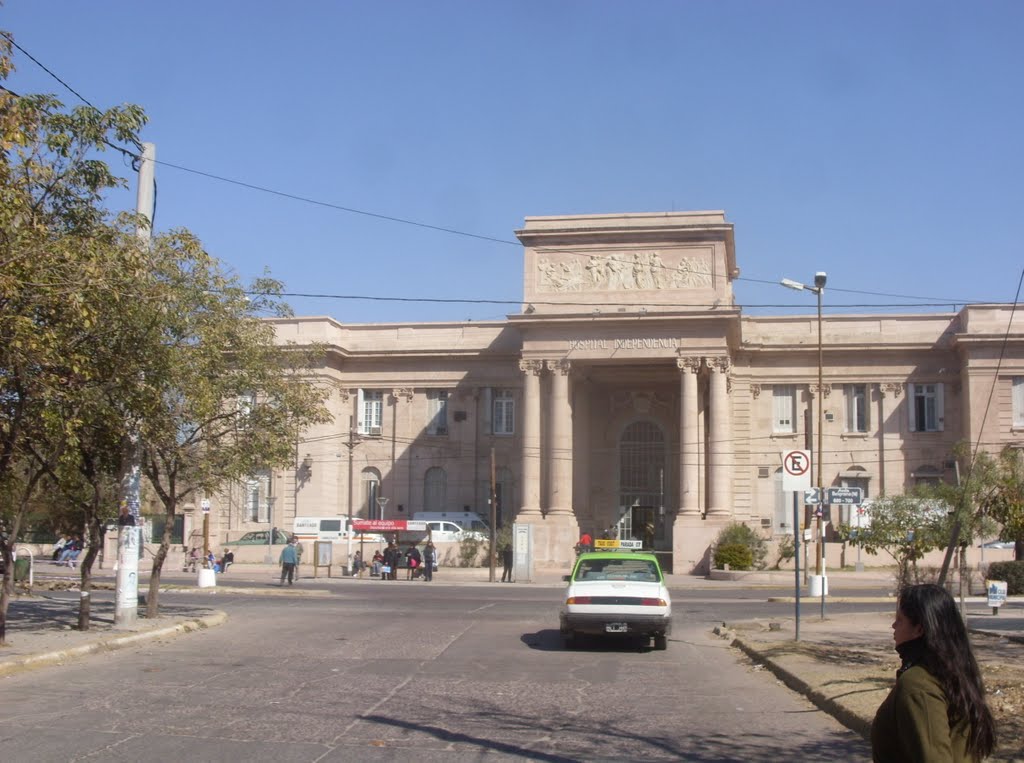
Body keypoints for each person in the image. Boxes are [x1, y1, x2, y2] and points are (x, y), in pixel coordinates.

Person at [871, 583, 996, 763]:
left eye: (900, 620)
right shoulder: (953, 672)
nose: (893, 625)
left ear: (919, 629)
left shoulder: (918, 685)